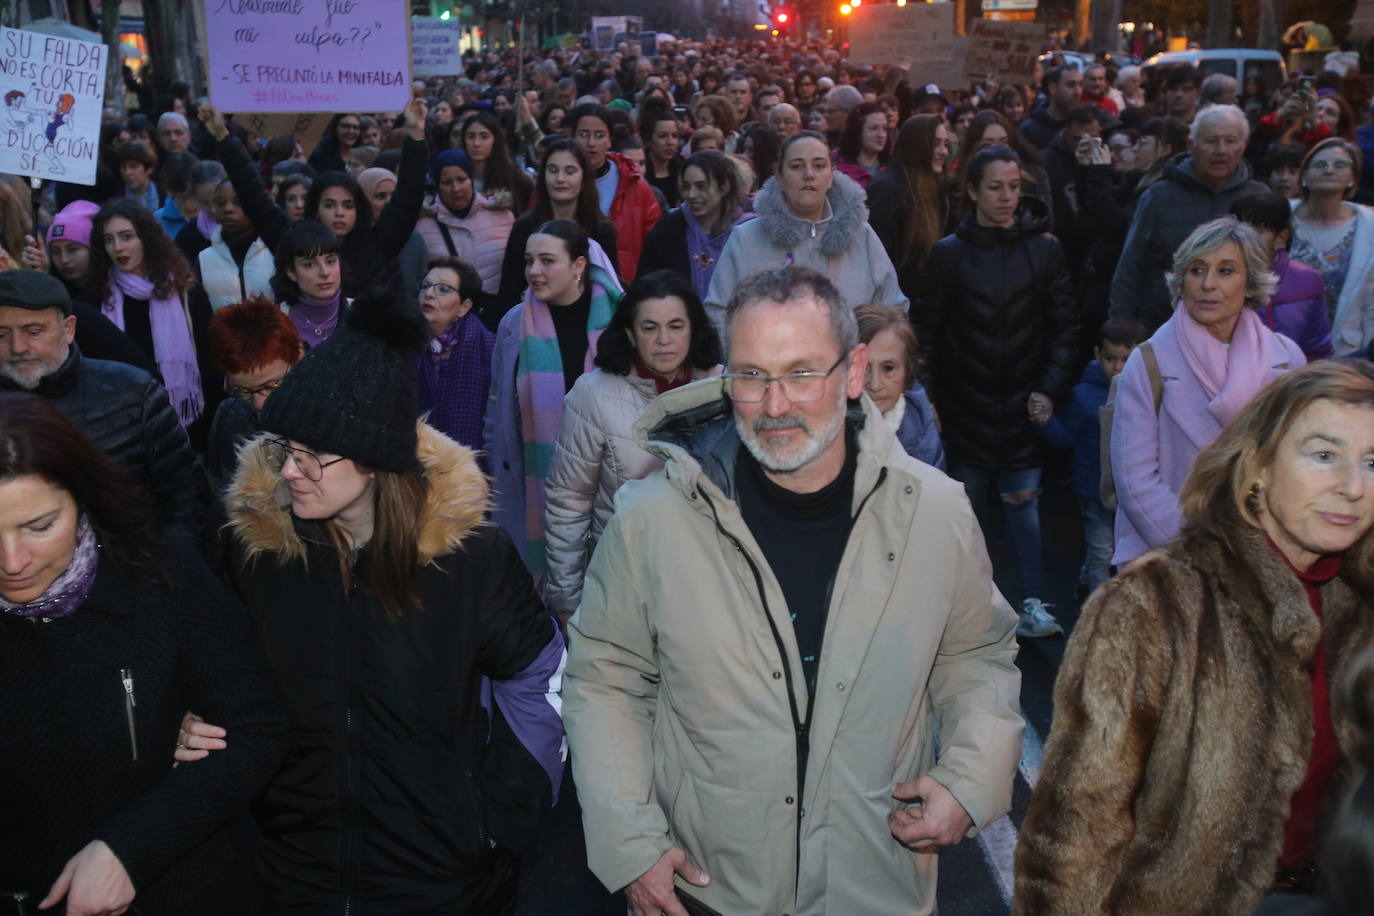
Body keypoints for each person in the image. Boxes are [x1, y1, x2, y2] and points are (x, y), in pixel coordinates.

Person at [563, 265, 1023, 916]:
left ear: (856, 371)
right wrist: (631, 841)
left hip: (877, 885)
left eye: (803, 372)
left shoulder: (937, 512)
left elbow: (975, 654)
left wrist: (974, 778)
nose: (775, 405)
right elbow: (604, 680)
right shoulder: (651, 518)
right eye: (752, 375)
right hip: (711, 890)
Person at [218, 277, 566, 913]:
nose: (291, 471)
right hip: (294, 878)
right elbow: (225, 680)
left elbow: (541, 682)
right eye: (285, 449)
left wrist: (500, 819)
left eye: (314, 454)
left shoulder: (472, 559)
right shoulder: (263, 555)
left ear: (375, 459)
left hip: (443, 881)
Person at [1016, 360, 1374, 912]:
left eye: (1372, 462)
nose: (1352, 487)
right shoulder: (1153, 606)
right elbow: (1076, 826)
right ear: (1257, 467)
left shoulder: (1360, 602)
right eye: (1324, 455)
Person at [0, 393, 287, 915]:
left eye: (39, 526)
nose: (12, 560)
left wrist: (132, 849)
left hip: (179, 893)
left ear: (83, 498)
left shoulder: (159, 577)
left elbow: (258, 728)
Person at [916, 146, 1080, 638]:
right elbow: (926, 334)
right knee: (965, 512)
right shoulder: (949, 255)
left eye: (1014, 186)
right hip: (964, 406)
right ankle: (966, 610)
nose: (1007, 197)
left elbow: (1065, 327)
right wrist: (930, 400)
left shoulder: (1045, 248)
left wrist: (1049, 389)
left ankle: (1032, 602)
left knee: (1023, 506)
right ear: (971, 191)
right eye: (995, 187)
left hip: (1024, 406)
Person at [1111, 217, 1306, 567]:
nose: (1208, 284)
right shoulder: (1148, 361)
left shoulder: (1288, 359)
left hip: (1267, 557)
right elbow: (1135, 482)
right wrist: (1204, 550)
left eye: (1226, 271)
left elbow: (1296, 465)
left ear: (1250, 283)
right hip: (1172, 555)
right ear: (1181, 280)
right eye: (1197, 270)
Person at [543, 270, 721, 623]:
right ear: (630, 334)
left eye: (676, 326)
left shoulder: (722, 387)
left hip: (707, 581)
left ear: (694, 330)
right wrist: (567, 601)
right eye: (650, 328)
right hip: (622, 579)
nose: (664, 340)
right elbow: (568, 501)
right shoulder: (593, 395)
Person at [0, 270, 209, 535]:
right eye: (1, 335)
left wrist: (169, 569)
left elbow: (188, 498)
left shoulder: (133, 394)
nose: (18, 347)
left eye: (33, 331)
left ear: (68, 330)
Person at [485, 220, 624, 573]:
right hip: (536, 483)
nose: (534, 271)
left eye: (547, 261)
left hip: (611, 485)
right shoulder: (513, 324)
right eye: (529, 261)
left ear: (578, 266)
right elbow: (497, 406)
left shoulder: (621, 322)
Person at [203, 100, 429, 297]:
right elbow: (253, 195)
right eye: (330, 205)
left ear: (359, 209)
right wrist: (223, 136)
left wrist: (416, 136)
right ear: (315, 209)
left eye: (347, 205)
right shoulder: (292, 241)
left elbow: (407, 196)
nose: (339, 212)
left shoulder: (378, 242)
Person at [706, 131, 907, 331]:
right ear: (780, 177)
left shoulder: (862, 236)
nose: (809, 175)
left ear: (831, 176)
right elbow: (717, 312)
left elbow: (893, 309)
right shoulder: (746, 238)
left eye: (819, 166)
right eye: (797, 166)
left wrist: (869, 357)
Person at [1110, 105, 1268, 332]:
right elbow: (1130, 265)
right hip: (1162, 331)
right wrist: (1121, 325)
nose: (1221, 150)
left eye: (1231, 141)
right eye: (1211, 141)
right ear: (1192, 146)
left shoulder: (1259, 198)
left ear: (1244, 145)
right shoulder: (1158, 196)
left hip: (1234, 334)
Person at [91, 200, 219, 448]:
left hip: (186, 426)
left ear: (146, 238)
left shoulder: (185, 290)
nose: (117, 248)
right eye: (108, 240)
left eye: (126, 236)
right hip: (126, 422)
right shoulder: (100, 295)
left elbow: (209, 360)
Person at [1035, 317, 1147, 595]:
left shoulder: (1146, 392)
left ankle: (1086, 580)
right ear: (1097, 354)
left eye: (1126, 359)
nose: (1118, 367)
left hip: (1131, 489)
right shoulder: (1084, 395)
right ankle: (1096, 613)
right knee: (1103, 551)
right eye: (1110, 358)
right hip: (1093, 490)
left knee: (1114, 550)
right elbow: (1066, 438)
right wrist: (1044, 422)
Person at [495, 138, 618, 331]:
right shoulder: (525, 227)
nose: (560, 179)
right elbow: (509, 291)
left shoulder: (601, 230)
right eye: (552, 170)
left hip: (589, 328)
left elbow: (609, 288)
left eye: (570, 171)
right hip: (530, 328)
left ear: (584, 176)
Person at [205, 295, 304, 490]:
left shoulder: (334, 410)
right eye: (243, 390)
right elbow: (220, 499)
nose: (259, 403)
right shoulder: (230, 415)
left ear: (298, 356)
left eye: (271, 385)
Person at [867, 116, 951, 335]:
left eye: (945, 143)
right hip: (894, 318)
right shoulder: (888, 191)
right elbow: (880, 263)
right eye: (935, 143)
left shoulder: (936, 189)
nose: (944, 151)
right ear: (917, 146)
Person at [1289, 138, 1374, 355]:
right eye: (1319, 165)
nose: (1329, 170)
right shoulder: (1280, 217)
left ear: (1352, 178)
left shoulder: (1369, 225)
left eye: (1340, 165)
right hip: (1281, 347)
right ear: (1305, 176)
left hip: (1346, 354)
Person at [1230, 192, 1333, 361]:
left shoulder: (1307, 280)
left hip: (1290, 380)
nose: (1244, 237)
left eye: (1257, 230)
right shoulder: (1219, 278)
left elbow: (1317, 348)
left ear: (1280, 238)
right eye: (1239, 228)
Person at [639, 150, 752, 300]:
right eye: (686, 187)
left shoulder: (750, 230)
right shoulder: (668, 230)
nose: (691, 195)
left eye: (701, 186)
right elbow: (647, 287)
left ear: (724, 186)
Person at [569, 102, 661, 282]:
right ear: (572, 137)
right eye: (583, 134)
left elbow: (655, 245)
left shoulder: (635, 184)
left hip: (622, 287)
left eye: (599, 135)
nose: (591, 143)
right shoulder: (556, 181)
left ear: (610, 140)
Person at [416, 149, 515, 309]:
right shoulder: (423, 226)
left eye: (461, 179)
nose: (456, 188)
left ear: (471, 179)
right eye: (447, 182)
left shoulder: (502, 216)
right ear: (437, 185)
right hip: (448, 317)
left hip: (497, 313)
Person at [416, 256, 494, 454]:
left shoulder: (490, 349)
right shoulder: (409, 345)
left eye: (443, 289)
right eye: (425, 286)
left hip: (474, 468)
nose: (429, 294)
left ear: (464, 307)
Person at [855, 303, 944, 470]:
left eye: (888, 368)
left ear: (908, 371)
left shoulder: (920, 423)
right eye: (864, 367)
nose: (874, 384)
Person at [195, 178, 274, 311]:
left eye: (238, 203)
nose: (228, 209)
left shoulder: (275, 251)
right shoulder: (204, 259)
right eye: (220, 203)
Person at [356, 165, 430, 302]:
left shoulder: (413, 239)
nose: (390, 202)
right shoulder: (353, 241)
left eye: (394, 195)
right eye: (380, 196)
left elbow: (425, 285)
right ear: (362, 202)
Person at [458, 109, 534, 212]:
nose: (476, 143)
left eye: (484, 137)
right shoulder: (456, 177)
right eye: (471, 137)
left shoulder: (515, 180)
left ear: (495, 140)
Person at [1019, 66, 1083, 150]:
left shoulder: (1086, 123)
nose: (1078, 92)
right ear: (1053, 88)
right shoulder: (1029, 129)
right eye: (1071, 85)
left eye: (1081, 85)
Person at [834, 101, 889, 190]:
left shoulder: (893, 166)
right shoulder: (836, 164)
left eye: (885, 129)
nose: (881, 135)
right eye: (873, 128)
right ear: (857, 131)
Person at [639, 104, 684, 208]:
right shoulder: (639, 172)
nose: (670, 142)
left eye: (674, 136)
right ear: (648, 140)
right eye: (662, 136)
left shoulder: (683, 168)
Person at [114, 141, 161, 211]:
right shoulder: (115, 201)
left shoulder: (165, 195)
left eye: (133, 166)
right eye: (123, 167)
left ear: (149, 169)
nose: (127, 172)